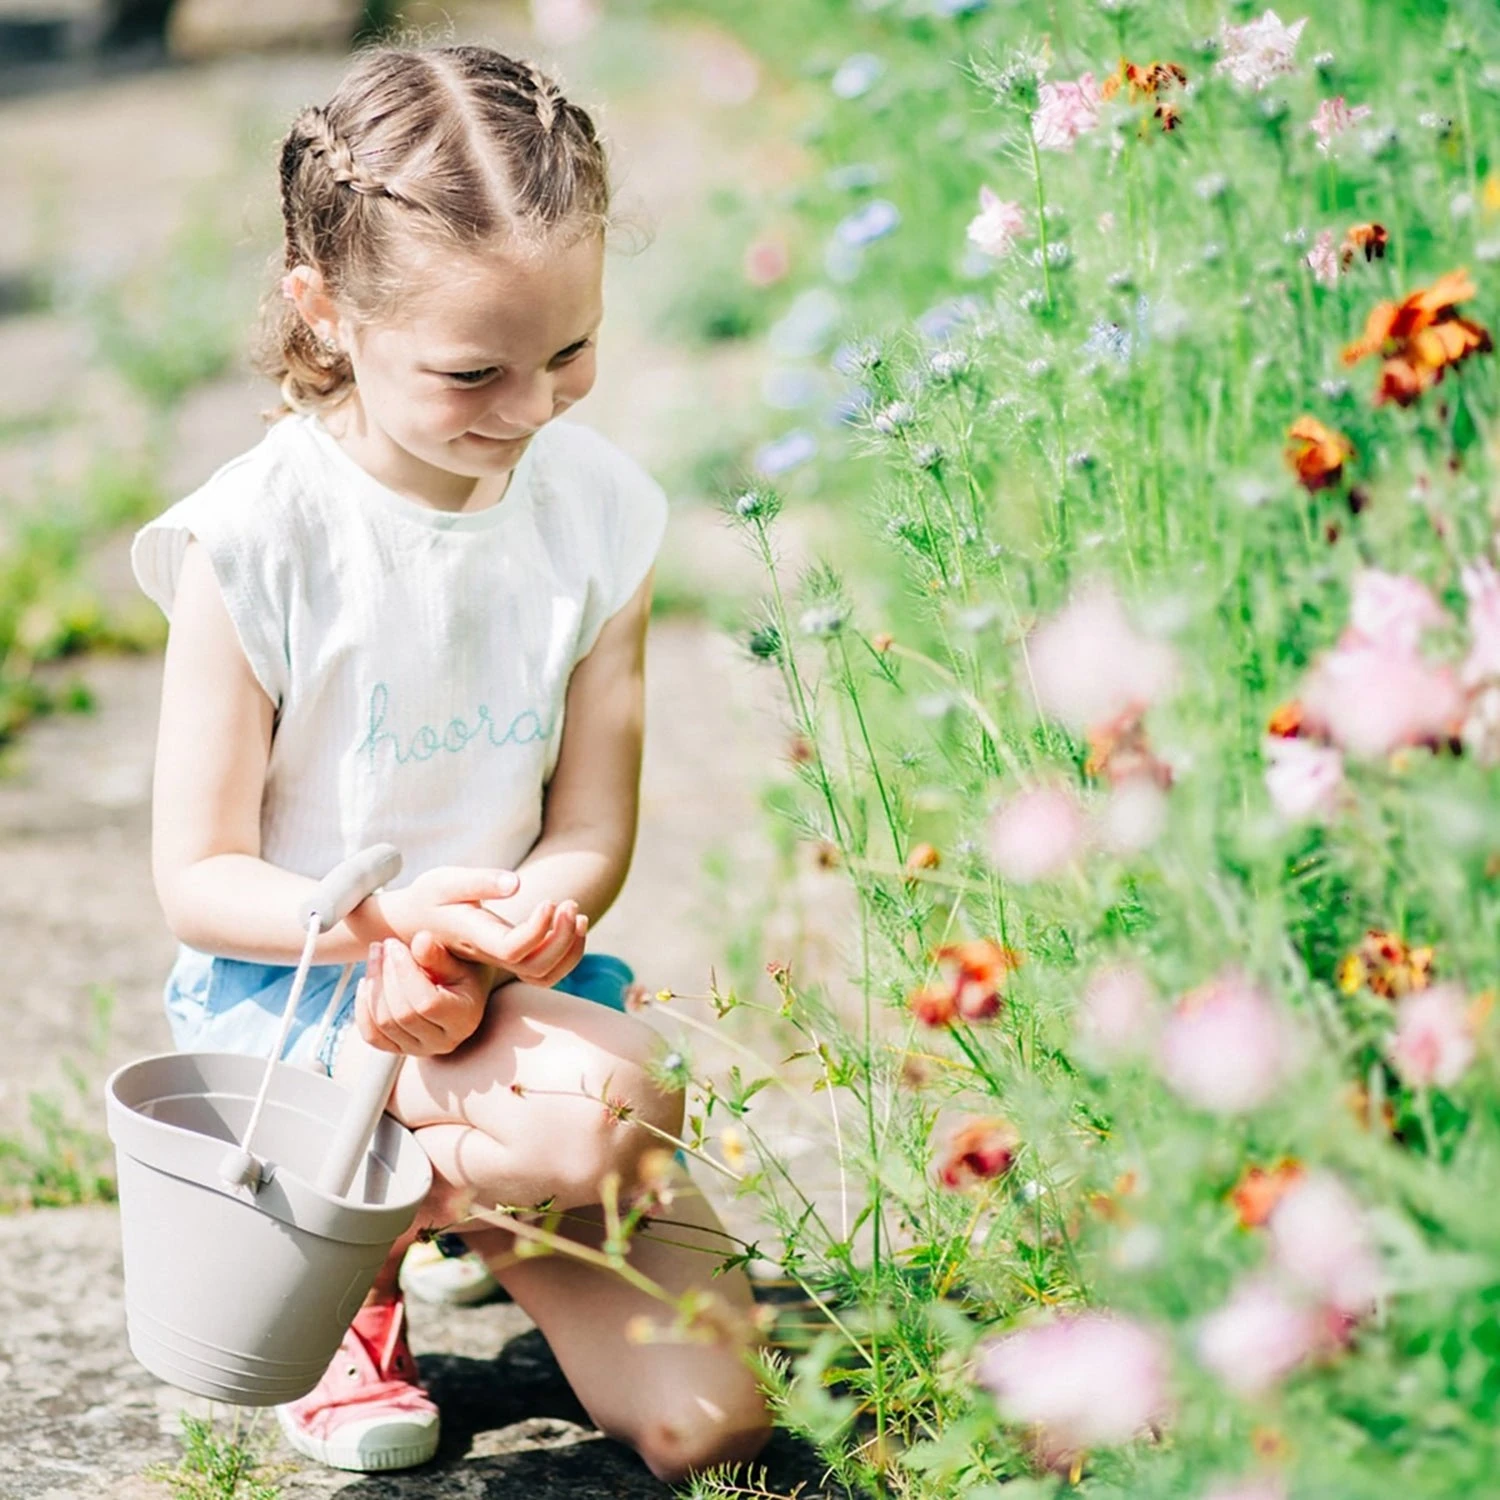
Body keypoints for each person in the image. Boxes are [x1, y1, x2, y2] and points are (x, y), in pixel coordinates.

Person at [129, 40, 772, 1480]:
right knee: (614, 1105)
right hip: (300, 1009)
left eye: (570, 352)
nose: (532, 408)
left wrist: (526, 922)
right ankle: (343, 1250)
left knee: (713, 1431)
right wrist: (388, 926)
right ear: (326, 308)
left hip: (503, 1002)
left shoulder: (597, 513)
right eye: (475, 370)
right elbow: (201, 878)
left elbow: (590, 825)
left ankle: (454, 1202)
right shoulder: (260, 541)